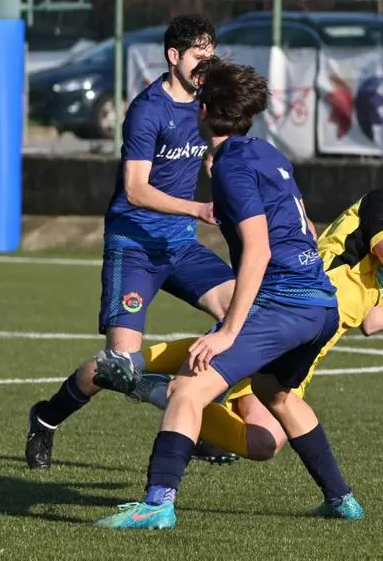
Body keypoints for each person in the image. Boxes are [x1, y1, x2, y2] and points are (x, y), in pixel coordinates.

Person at [95, 158, 383, 462]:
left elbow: (373, 320)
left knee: (262, 443)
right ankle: (134, 371)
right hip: (285, 320)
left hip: (301, 342)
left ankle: (146, 385)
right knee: (203, 383)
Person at [95, 57, 362, 529]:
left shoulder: (230, 166)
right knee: (275, 393)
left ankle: (157, 504)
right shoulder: (267, 153)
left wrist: (228, 332)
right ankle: (342, 499)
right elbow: (303, 226)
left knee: (185, 391)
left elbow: (257, 249)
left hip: (283, 303)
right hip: (321, 304)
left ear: (202, 108)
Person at [24, 14, 236, 471]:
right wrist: (198, 209)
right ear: (173, 56)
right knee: (119, 366)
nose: (206, 66)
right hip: (135, 244)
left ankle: (194, 417)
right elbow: (136, 189)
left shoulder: (206, 103)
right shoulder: (147, 110)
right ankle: (46, 416)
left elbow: (216, 152)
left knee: (244, 316)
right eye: (199, 57)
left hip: (180, 245)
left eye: (211, 57)